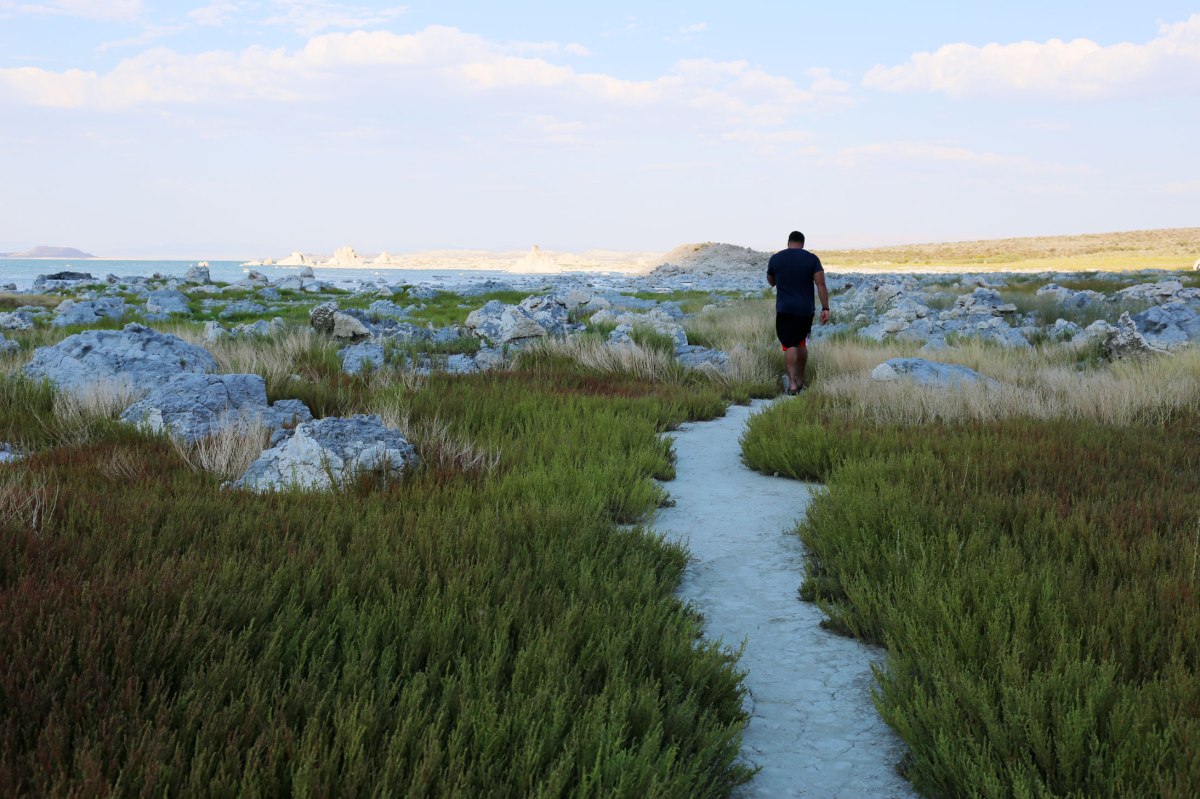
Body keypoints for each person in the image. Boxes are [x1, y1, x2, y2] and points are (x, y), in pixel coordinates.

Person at [767, 230, 829, 394]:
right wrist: (825, 308)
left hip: (785, 309)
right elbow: (820, 284)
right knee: (801, 343)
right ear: (802, 244)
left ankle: (792, 384)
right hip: (805, 310)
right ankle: (801, 379)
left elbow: (771, 281)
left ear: (788, 242)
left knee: (789, 345)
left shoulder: (776, 258)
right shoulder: (812, 259)